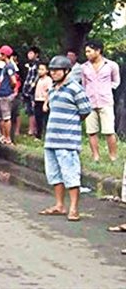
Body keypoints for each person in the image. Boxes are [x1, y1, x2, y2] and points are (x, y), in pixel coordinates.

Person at [38, 56, 91, 222]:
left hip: (68, 140)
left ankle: (74, 208)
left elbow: (85, 110)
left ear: (66, 71)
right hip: (51, 139)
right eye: (52, 70)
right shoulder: (53, 89)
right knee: (54, 175)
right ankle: (59, 205)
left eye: (57, 70)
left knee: (71, 174)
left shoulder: (75, 88)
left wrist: (71, 123)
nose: (53, 73)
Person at [81, 39, 121, 162]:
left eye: (89, 51)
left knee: (109, 131)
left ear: (98, 51)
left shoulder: (111, 65)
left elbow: (116, 81)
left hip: (106, 101)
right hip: (90, 101)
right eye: (86, 52)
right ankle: (96, 156)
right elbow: (83, 84)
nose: (87, 54)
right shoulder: (84, 67)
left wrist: (107, 89)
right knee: (91, 131)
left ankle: (113, 156)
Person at [0, 45, 19, 145]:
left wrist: (10, 89)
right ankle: (3, 136)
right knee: (1, 117)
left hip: (6, 94)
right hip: (1, 93)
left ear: (4, 55)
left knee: (6, 117)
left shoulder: (9, 67)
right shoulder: (5, 67)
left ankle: (8, 137)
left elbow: (13, 81)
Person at [23, 47, 40, 137]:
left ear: (36, 54)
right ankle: (31, 129)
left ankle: (35, 129)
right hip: (27, 90)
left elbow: (37, 77)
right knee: (29, 111)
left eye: (31, 53)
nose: (29, 55)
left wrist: (33, 87)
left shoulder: (38, 65)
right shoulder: (29, 64)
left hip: (34, 90)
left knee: (34, 110)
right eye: (28, 53)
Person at [33, 62, 52, 140]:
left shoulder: (48, 80)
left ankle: (48, 135)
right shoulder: (38, 79)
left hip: (44, 101)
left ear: (47, 71)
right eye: (39, 69)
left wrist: (45, 103)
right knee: (38, 118)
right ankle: (38, 135)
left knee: (45, 119)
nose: (40, 71)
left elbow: (48, 91)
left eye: (42, 69)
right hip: (37, 100)